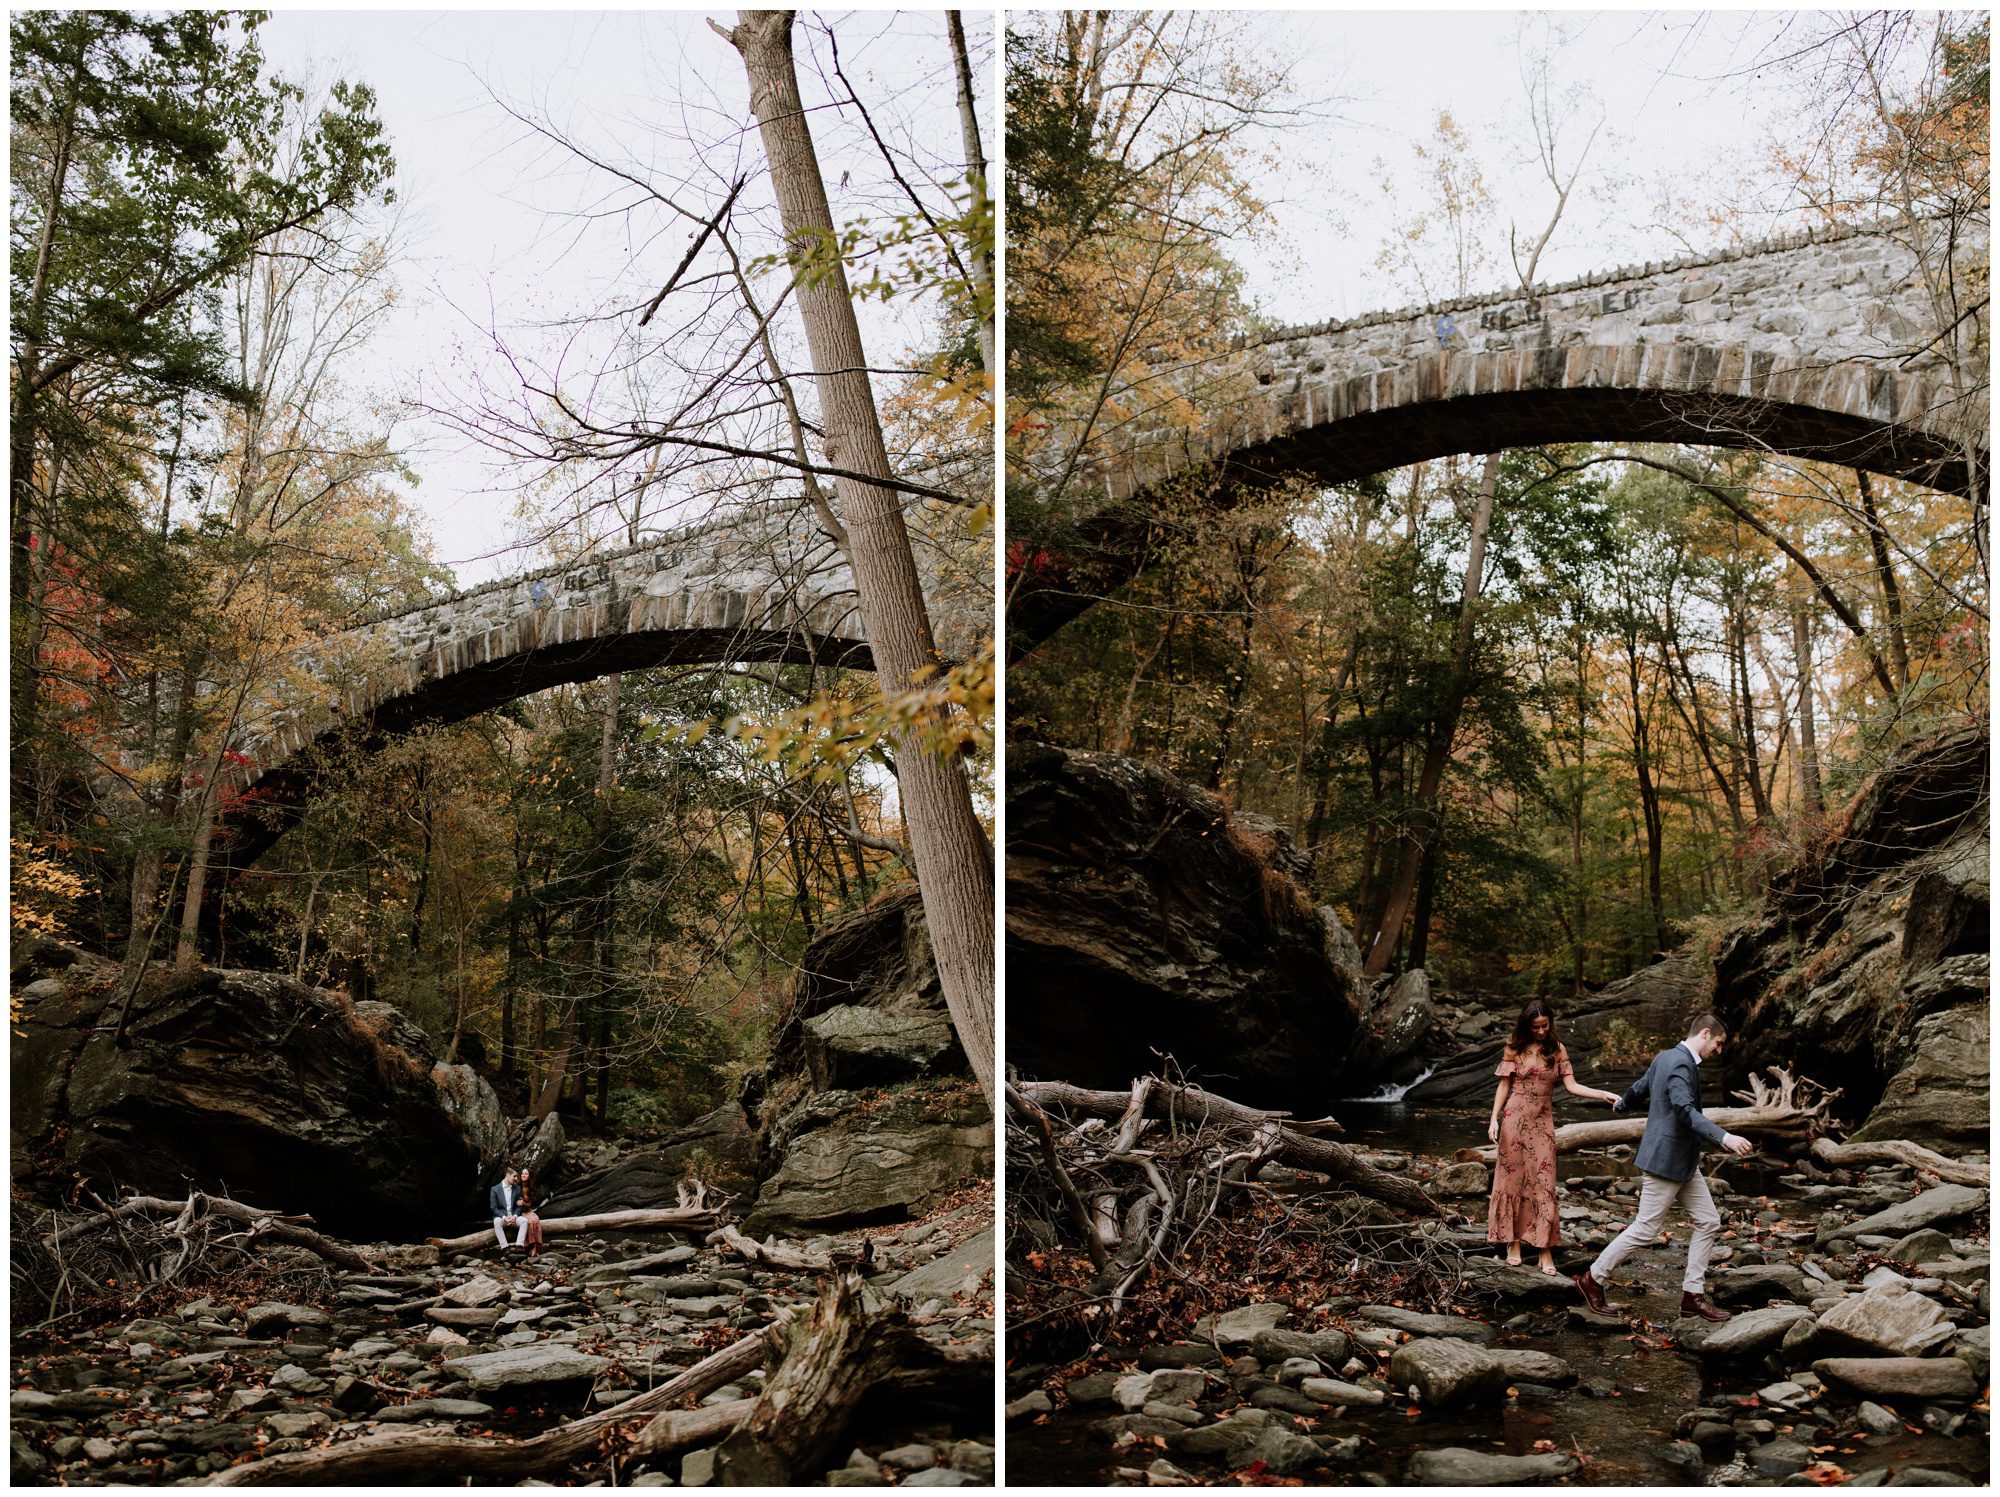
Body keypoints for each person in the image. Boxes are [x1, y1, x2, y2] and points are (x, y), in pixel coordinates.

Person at [1575, 1013, 1755, 1322]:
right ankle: (1592, 1280)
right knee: (1645, 1229)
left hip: (1682, 1161)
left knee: (1709, 1221)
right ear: (1706, 1034)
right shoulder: (1679, 1064)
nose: (1720, 1051)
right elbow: (1685, 1111)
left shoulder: (1666, 1057)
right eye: (1719, 1044)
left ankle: (1692, 1298)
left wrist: (1622, 1104)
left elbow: (1641, 1087)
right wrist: (1724, 1137)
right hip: (1666, 1160)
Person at [1487, 999, 1622, 1273]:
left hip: (1542, 1123)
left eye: (1544, 1026)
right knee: (1512, 1181)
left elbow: (1571, 1086)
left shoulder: (1557, 1049)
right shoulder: (1514, 1047)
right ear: (1527, 1026)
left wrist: (1601, 1094)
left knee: (1544, 1183)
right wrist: (1493, 1119)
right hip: (1513, 1120)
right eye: (1535, 1027)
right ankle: (1512, 1244)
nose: (1540, 1031)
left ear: (1551, 1023)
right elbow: (1504, 1085)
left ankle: (1544, 1250)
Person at [489, 1166, 526, 1252]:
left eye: (516, 1176)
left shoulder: (517, 1188)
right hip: (502, 1217)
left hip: (513, 1217)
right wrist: (504, 1218)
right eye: (514, 1176)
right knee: (496, 1222)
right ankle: (505, 1247)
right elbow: (494, 1208)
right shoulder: (494, 1189)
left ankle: (519, 1246)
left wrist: (515, 1216)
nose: (516, 1178)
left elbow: (519, 1206)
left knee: (524, 1221)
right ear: (507, 1175)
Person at [518, 1167, 545, 1258]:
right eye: (522, 1173)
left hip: (527, 1210)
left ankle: (535, 1246)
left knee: (536, 1219)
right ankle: (529, 1245)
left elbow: (530, 1204)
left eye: (526, 1174)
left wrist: (523, 1203)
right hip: (519, 1212)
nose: (523, 1175)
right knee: (529, 1222)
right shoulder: (517, 1187)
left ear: (529, 1176)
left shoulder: (531, 1188)